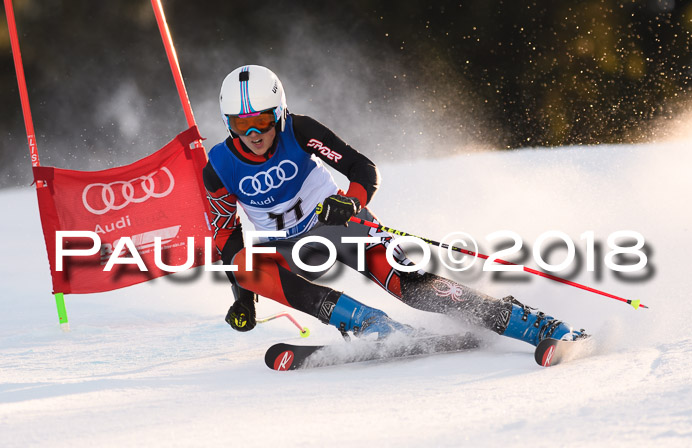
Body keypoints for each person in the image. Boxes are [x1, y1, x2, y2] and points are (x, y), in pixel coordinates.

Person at [203, 64, 584, 345]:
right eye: (241, 125)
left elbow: (362, 168)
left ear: (280, 113)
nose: (254, 134)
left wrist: (349, 203)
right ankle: (372, 325)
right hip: (287, 247)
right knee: (249, 269)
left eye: (263, 121)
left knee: (408, 284)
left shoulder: (299, 130)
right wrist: (245, 300)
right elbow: (227, 235)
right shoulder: (219, 167)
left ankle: (529, 323)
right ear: (227, 123)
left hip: (337, 223)